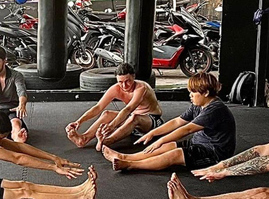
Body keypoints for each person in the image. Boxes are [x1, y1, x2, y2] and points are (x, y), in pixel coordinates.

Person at [101, 72, 236, 172]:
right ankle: (124, 156)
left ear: (206, 93)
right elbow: (177, 122)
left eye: (193, 93)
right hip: (198, 143)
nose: (190, 95)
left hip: (215, 152)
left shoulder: (215, 109)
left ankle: (130, 164)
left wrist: (161, 140)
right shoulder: (198, 104)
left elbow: (186, 129)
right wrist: (153, 133)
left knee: (174, 154)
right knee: (167, 146)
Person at [66, 63, 163, 151]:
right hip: (132, 119)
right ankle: (83, 139)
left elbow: (128, 109)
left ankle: (106, 141)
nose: (124, 85)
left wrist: (111, 126)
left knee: (134, 117)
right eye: (120, 82)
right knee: (107, 114)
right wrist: (79, 121)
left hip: (151, 121)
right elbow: (98, 107)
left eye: (127, 81)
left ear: (133, 77)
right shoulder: (116, 88)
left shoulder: (142, 88)